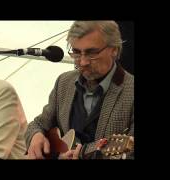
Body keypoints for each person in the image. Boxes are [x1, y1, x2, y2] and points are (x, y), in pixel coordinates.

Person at [25, 21, 134, 159]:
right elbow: (38, 124)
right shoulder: (64, 82)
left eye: (91, 53)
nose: (83, 62)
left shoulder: (131, 92)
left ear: (114, 49)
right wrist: (35, 136)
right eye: (76, 52)